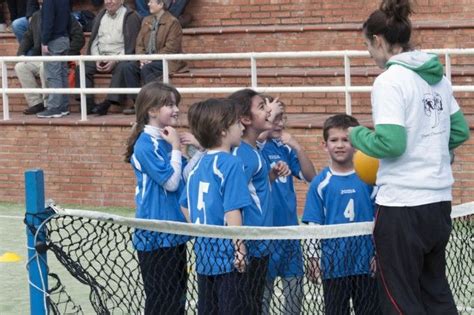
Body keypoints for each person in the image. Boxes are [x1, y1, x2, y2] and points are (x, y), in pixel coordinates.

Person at [349, 0, 470, 314]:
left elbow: (391, 144)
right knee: (435, 292)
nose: (370, 55)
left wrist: (356, 135)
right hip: (439, 203)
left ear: (378, 41)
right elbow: (459, 133)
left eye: (367, 47)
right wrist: (431, 152)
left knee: (399, 299)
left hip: (402, 205)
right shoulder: (438, 79)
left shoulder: (389, 81)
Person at [302, 114, 381, 315]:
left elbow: (379, 219)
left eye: (346, 140)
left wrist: (378, 255)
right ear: (324, 145)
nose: (340, 145)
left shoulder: (370, 179)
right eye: (334, 140)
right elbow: (314, 225)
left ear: (356, 144)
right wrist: (313, 258)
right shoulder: (320, 184)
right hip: (333, 267)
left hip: (366, 264)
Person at [180, 98, 252, 314]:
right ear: (222, 131)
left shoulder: (196, 165)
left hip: (204, 258)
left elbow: (185, 206)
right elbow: (232, 210)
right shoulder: (231, 164)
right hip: (227, 260)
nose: (242, 127)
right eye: (237, 123)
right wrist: (240, 249)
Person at [124, 82, 189, 315]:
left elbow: (186, 175)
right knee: (162, 300)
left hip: (175, 230)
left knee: (177, 296)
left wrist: (199, 148)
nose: (176, 110)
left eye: (176, 104)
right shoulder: (145, 144)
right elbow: (170, 183)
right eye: (169, 105)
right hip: (155, 232)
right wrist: (175, 148)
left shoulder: (167, 140)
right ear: (152, 110)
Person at [228, 89, 290, 314]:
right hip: (249, 246)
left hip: (261, 243)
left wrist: (270, 177)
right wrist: (239, 246)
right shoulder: (241, 155)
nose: (268, 112)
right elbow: (232, 200)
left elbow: (253, 190)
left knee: (255, 304)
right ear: (245, 119)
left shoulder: (255, 151)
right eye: (262, 107)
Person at [258, 96, 316, 315]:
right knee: (263, 297)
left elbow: (311, 176)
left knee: (295, 295)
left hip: (289, 232)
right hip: (265, 234)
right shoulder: (254, 147)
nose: (280, 124)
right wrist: (269, 116)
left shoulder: (285, 148)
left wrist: (297, 146)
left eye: (283, 118)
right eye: (274, 117)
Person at [15, 4, 84, 115]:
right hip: (39, 57)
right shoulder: (36, 16)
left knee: (46, 68)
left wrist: (66, 55)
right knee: (20, 66)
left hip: (56, 55)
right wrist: (21, 54)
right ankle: (36, 103)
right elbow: (28, 37)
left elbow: (79, 38)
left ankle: (49, 105)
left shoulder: (66, 15)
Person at [121, 0, 186, 115]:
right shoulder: (146, 20)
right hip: (148, 59)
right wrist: (141, 57)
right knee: (128, 67)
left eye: (151, 2)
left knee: (148, 68)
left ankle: (152, 103)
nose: (148, 4)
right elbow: (139, 43)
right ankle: (138, 104)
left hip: (167, 60)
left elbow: (171, 48)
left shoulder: (172, 22)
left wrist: (151, 59)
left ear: (161, 4)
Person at [76, 0, 141, 115]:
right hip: (100, 56)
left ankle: (108, 103)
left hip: (120, 57)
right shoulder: (100, 16)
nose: (109, 2)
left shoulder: (131, 17)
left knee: (124, 67)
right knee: (81, 67)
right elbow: (94, 41)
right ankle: (87, 104)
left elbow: (131, 45)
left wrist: (115, 60)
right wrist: (96, 58)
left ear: (121, 1)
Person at [35, 0, 71, 118]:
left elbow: (48, 22)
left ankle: (54, 107)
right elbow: (69, 21)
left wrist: (44, 41)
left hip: (53, 41)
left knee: (53, 76)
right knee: (62, 75)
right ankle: (63, 106)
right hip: (64, 39)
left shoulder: (49, 2)